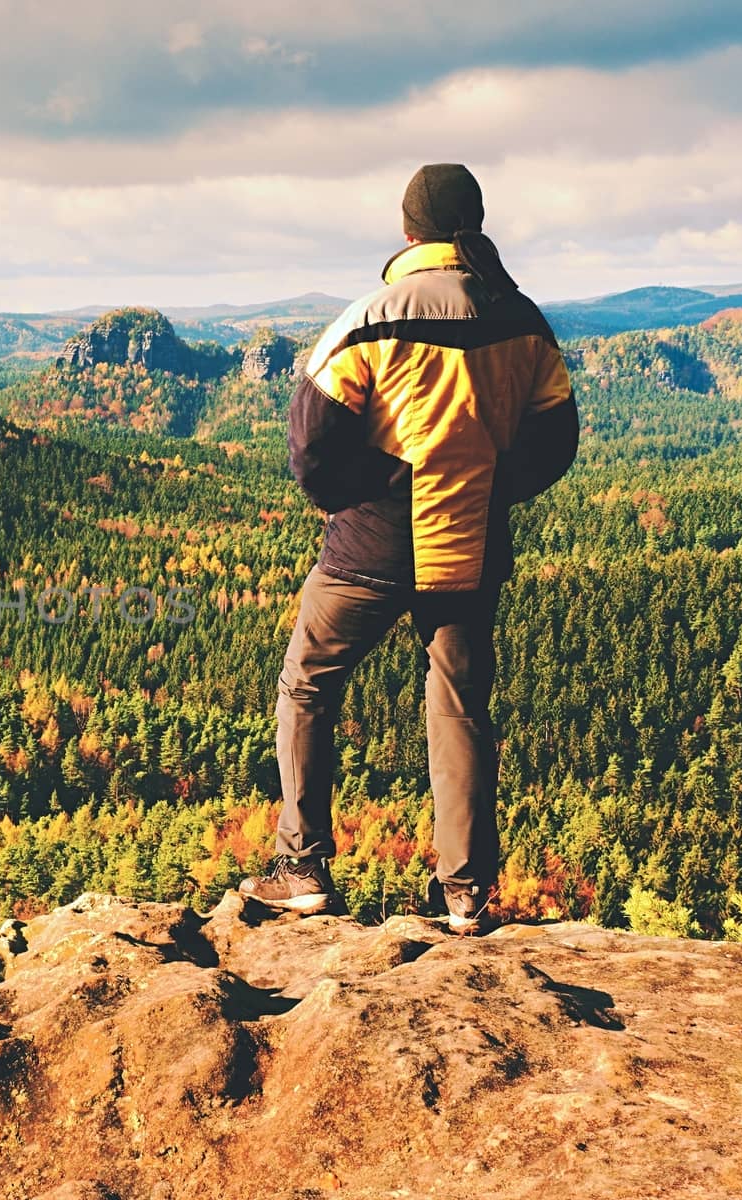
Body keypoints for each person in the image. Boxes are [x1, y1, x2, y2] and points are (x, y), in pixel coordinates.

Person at [236, 163, 579, 934]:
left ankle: (303, 867)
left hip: (371, 547)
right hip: (470, 545)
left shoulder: (371, 317)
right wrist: (486, 488)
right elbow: (557, 440)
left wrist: (366, 497)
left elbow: (311, 447)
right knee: (459, 709)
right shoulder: (522, 319)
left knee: (308, 686)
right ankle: (464, 892)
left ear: (407, 228)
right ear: (475, 225)